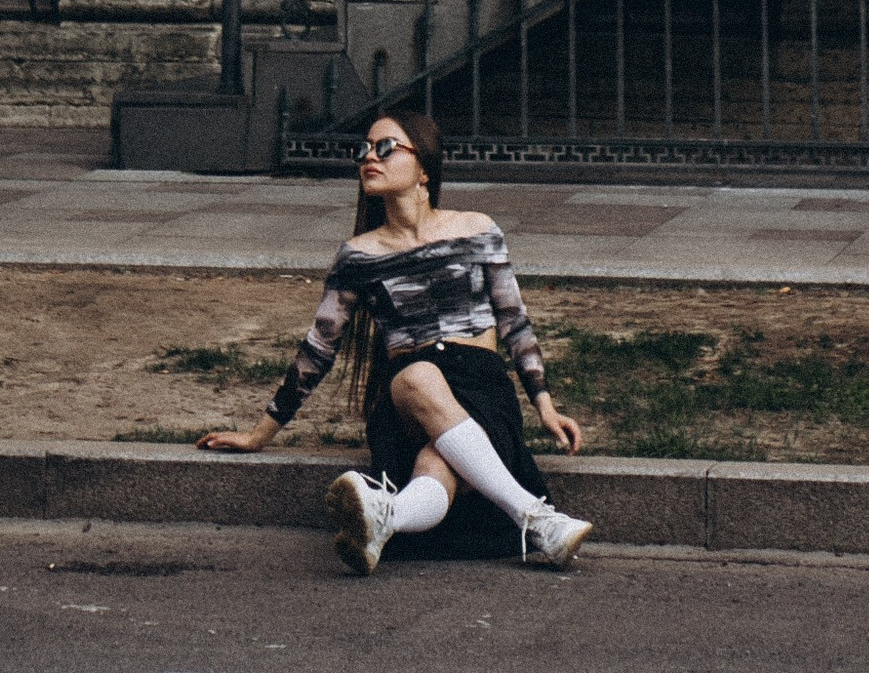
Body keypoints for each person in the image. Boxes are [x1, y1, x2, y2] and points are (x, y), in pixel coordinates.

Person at [197, 107, 591, 574]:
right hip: (406, 394)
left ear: (424, 167)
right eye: (364, 149)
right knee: (420, 375)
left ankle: (386, 517)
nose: (370, 157)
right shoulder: (358, 255)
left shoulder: (478, 230)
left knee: (438, 464)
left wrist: (544, 405)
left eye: (386, 148)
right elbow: (318, 350)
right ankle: (537, 519)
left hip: (481, 387)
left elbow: (514, 324)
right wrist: (260, 434)